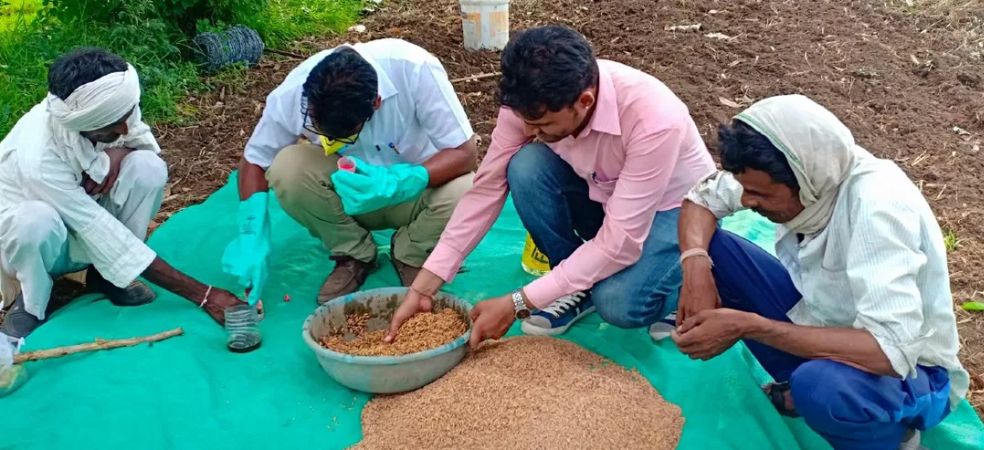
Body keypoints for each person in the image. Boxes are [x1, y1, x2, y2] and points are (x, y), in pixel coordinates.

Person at [671, 95, 968, 449]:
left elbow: (891, 351)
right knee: (714, 251)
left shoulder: (878, 209)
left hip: (914, 372)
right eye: (745, 190)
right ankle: (801, 383)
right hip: (826, 321)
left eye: (759, 194)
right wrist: (695, 267)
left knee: (822, 389)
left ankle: (893, 436)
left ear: (804, 181)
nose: (747, 202)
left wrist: (748, 325)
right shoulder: (801, 167)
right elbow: (701, 200)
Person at [386, 26, 715, 345]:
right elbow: (487, 189)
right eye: (525, 121)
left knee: (618, 302)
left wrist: (518, 302)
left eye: (542, 124)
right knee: (526, 166)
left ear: (584, 101)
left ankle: (681, 281)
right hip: (605, 192)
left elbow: (620, 242)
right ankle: (573, 284)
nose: (529, 131)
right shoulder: (531, 102)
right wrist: (425, 286)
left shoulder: (653, 119)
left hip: (675, 210)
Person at [0, 48, 246, 338]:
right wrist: (203, 295)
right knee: (35, 220)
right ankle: (31, 302)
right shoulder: (39, 158)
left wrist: (117, 152)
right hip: (35, 242)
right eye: (113, 127)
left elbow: (139, 137)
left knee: (147, 168)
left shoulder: (114, 105)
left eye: (127, 115)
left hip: (82, 220)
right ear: (84, 125)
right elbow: (97, 229)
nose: (126, 127)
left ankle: (107, 276)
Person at [224, 39, 477, 305]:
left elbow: (465, 153)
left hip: (415, 194)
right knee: (287, 167)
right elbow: (254, 161)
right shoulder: (294, 92)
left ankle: (411, 252)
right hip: (346, 199)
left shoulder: (415, 69)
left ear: (376, 103)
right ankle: (354, 253)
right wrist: (251, 233)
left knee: (467, 190)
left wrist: (403, 180)